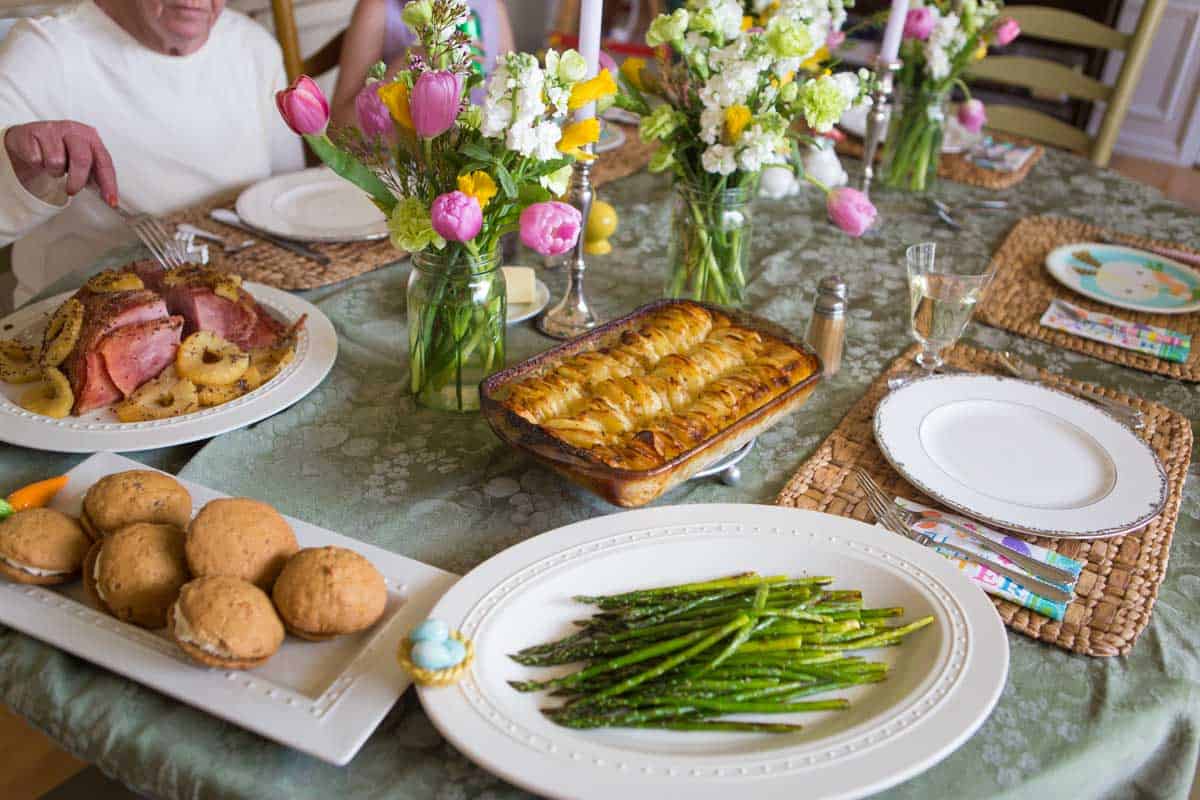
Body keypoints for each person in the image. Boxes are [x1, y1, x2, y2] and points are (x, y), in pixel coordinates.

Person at [0, 1, 304, 307]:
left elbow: (286, 199)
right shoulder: (48, 49)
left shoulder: (252, 45)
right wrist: (17, 158)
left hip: (231, 300)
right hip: (74, 313)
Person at [331, 0, 515, 128]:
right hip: (403, 170)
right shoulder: (376, 11)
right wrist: (413, 61)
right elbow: (338, 128)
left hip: (475, 170)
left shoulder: (492, 8)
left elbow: (515, 99)